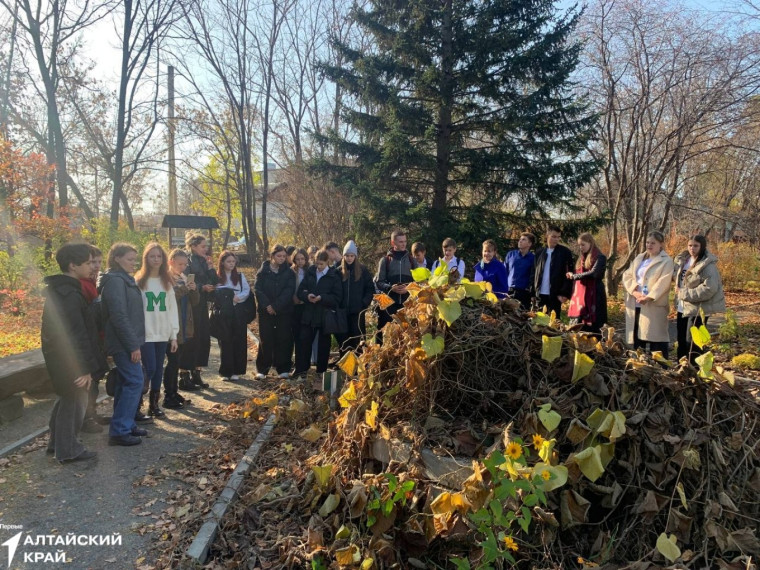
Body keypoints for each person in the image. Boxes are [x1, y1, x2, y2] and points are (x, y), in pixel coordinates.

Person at [42, 243, 106, 463]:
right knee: (74, 400)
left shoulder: (65, 290)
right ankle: (68, 449)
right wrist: (83, 368)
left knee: (65, 398)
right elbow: (75, 334)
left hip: (62, 359)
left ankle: (57, 443)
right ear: (72, 265)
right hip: (70, 360)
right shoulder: (68, 294)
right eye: (87, 263)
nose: (92, 267)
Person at [98, 243, 146, 446]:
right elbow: (119, 316)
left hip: (129, 341)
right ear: (116, 258)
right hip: (124, 343)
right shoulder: (115, 282)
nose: (133, 263)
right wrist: (133, 345)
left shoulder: (124, 279)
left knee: (126, 383)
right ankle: (119, 430)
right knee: (135, 381)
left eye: (135, 259)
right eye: (129, 259)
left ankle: (125, 424)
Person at [134, 243, 179, 418]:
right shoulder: (138, 281)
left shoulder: (167, 281)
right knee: (149, 368)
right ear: (146, 259)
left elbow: (172, 309)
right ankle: (136, 403)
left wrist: (173, 335)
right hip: (146, 333)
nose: (156, 259)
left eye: (159, 256)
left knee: (158, 369)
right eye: (152, 256)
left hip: (163, 333)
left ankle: (154, 405)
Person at [673, 235, 726, 363]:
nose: (692, 248)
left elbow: (709, 289)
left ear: (702, 247)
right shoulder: (684, 260)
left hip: (698, 309)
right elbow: (680, 279)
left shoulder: (707, 265)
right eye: (690, 245)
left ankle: (695, 372)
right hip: (683, 307)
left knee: (693, 342)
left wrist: (683, 293)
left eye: (696, 246)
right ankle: (681, 369)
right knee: (681, 340)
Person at [622, 231, 674, 357]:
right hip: (636, 302)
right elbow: (627, 275)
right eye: (647, 242)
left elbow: (664, 282)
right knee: (637, 337)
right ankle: (640, 366)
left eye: (653, 243)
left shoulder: (666, 261)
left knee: (656, 338)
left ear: (661, 244)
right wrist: (634, 292)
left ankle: (661, 369)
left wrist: (649, 297)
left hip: (653, 304)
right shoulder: (640, 258)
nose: (649, 245)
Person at [294, 249, 343, 377]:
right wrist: (307, 295)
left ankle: (321, 371)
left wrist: (322, 298)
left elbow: (337, 297)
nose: (319, 267)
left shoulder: (333, 275)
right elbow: (301, 291)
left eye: (321, 264)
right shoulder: (310, 272)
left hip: (324, 314)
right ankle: (302, 370)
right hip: (309, 313)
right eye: (317, 264)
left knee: (323, 345)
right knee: (304, 342)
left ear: (327, 262)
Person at [163, 249, 199, 407]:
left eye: (185, 264)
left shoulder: (184, 277)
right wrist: (185, 287)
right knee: (172, 361)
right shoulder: (166, 279)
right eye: (180, 264)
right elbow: (170, 298)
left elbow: (195, 302)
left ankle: (174, 391)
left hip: (185, 324)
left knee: (177, 361)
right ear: (171, 262)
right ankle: (167, 395)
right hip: (172, 326)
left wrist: (194, 289)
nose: (183, 267)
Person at [254, 244, 296, 380]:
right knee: (266, 339)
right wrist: (267, 305)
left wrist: (276, 306)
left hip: (283, 311)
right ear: (272, 256)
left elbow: (289, 291)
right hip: (265, 311)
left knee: (283, 338)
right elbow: (258, 289)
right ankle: (263, 368)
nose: (282, 258)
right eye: (279, 256)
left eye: (284, 256)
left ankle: (283, 368)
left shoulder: (289, 272)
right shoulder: (263, 271)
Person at [185, 234, 218, 388]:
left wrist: (211, 268)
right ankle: (184, 373)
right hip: (191, 305)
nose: (206, 249)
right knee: (192, 337)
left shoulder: (205, 261)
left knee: (203, 338)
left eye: (206, 246)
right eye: (203, 246)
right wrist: (201, 287)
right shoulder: (187, 261)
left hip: (203, 304)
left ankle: (197, 373)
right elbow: (186, 282)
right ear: (193, 246)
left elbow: (215, 281)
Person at [214, 251, 252, 381]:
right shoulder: (217, 276)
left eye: (233, 261)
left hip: (237, 310)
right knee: (225, 342)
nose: (231, 264)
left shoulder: (240, 276)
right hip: (224, 313)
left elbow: (246, 291)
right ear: (222, 262)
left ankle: (237, 370)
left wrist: (238, 298)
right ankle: (226, 371)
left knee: (239, 340)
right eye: (228, 261)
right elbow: (214, 293)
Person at [374, 230, 417, 343]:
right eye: (400, 241)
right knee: (383, 332)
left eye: (405, 241)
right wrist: (390, 288)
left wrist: (408, 288)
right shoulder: (385, 260)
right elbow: (379, 282)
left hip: (407, 304)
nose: (404, 244)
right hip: (389, 304)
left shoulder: (412, 261)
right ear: (393, 243)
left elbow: (419, 283)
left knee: (406, 334)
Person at [80, 245, 106, 434]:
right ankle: (86, 418)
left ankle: (92, 413)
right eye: (92, 262)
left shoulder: (94, 281)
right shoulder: (82, 284)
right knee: (90, 381)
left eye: (98, 262)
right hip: (90, 339)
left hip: (98, 337)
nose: (96, 266)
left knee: (96, 380)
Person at [338, 240, 375, 356]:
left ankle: (359, 367)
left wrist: (363, 303)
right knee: (344, 341)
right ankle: (345, 367)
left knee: (358, 340)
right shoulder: (338, 271)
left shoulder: (363, 271)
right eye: (347, 256)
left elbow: (370, 289)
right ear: (343, 256)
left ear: (355, 256)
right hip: (342, 312)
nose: (349, 258)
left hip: (357, 312)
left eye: (351, 256)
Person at [566, 233, 608, 335]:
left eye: (583, 245)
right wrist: (571, 274)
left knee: (595, 329)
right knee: (579, 329)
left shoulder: (600, 257)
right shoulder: (581, 259)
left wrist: (575, 276)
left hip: (596, 296)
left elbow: (594, 273)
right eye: (579, 245)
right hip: (580, 300)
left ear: (590, 243)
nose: (581, 247)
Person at [534, 225, 574, 317]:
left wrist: (564, 293)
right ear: (547, 235)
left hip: (556, 295)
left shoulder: (565, 252)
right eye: (554, 236)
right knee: (539, 322)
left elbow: (569, 274)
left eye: (558, 237)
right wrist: (534, 292)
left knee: (554, 324)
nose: (556, 239)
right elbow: (534, 272)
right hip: (540, 294)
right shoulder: (539, 252)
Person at [290, 248, 310, 371]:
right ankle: (298, 366)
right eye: (297, 259)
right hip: (295, 306)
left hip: (307, 306)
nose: (300, 261)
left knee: (306, 337)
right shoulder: (291, 271)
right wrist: (293, 297)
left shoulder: (310, 271)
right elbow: (288, 287)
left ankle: (305, 366)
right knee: (297, 337)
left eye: (302, 259)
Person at [506, 233, 536, 309]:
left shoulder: (533, 258)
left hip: (524, 293)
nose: (520, 241)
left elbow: (534, 276)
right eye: (520, 239)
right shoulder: (510, 255)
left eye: (523, 239)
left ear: (529, 244)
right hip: (509, 292)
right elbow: (504, 272)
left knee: (522, 318)